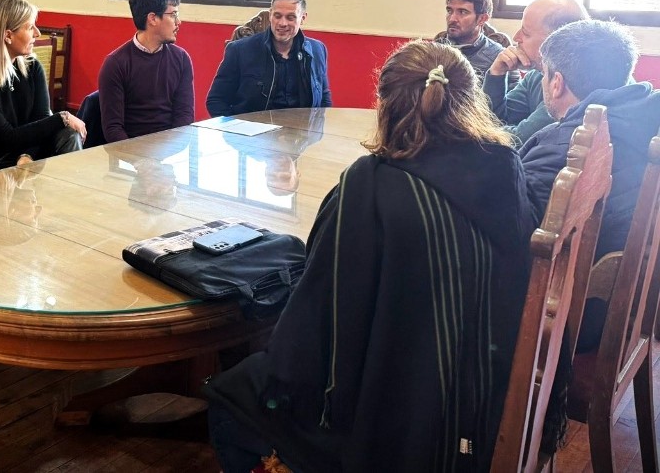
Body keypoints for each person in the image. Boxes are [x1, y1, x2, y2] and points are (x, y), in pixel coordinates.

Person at [204, 41, 537, 472]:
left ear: (384, 105)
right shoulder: (505, 167)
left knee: (231, 394)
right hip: (488, 396)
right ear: (472, 101)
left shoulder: (370, 188)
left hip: (402, 429)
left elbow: (315, 323)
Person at [520, 20, 660, 350]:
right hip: (627, 305)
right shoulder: (647, 121)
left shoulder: (566, 150)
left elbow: (516, 243)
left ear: (556, 83)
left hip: (569, 323)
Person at [0, 0, 85, 174]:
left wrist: (26, 155)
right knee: (62, 125)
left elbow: (40, 122)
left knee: (69, 134)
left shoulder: (32, 67)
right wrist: (62, 117)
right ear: (8, 36)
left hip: (27, 157)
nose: (37, 33)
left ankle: (67, 189)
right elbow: (5, 139)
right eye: (30, 27)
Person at [206, 0, 331, 117]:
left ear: (303, 18)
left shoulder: (317, 50)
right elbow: (216, 101)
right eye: (277, 16)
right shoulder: (239, 50)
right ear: (270, 15)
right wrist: (235, 128)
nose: (282, 23)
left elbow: (324, 98)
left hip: (303, 128)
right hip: (252, 127)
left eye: (290, 17)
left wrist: (316, 127)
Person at [482, 0, 589, 145]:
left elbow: (517, 141)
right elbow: (493, 120)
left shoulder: (572, 86)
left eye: (525, 33)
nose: (516, 37)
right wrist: (496, 74)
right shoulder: (536, 75)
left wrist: (472, 129)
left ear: (556, 40)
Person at [98, 0, 195, 142]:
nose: (179, 22)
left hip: (170, 147)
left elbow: (184, 115)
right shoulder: (116, 64)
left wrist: (172, 147)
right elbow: (113, 128)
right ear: (153, 18)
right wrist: (135, 155)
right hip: (130, 149)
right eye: (173, 15)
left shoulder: (181, 59)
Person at [435, 0, 504, 77]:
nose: (452, 19)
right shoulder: (435, 49)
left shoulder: (498, 57)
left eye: (462, 12)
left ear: (482, 19)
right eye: (449, 11)